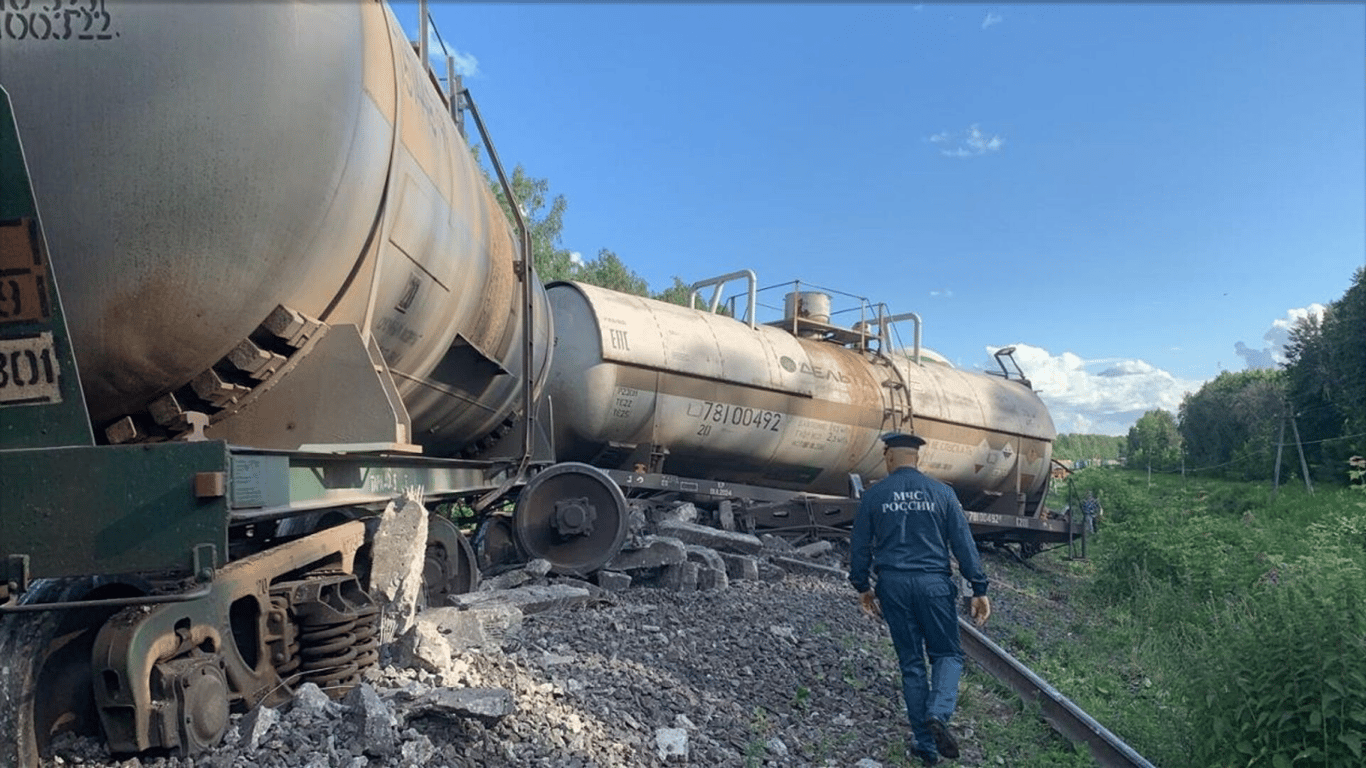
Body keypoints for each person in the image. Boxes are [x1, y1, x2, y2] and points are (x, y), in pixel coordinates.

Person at [849, 432, 991, 766]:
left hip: (893, 586)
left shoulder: (874, 496)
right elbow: (963, 545)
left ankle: (927, 747)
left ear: (888, 456)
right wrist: (978, 588)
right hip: (934, 585)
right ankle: (939, 713)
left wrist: (862, 587)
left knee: (912, 664)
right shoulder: (942, 493)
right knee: (947, 655)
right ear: (918, 459)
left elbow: (859, 548)